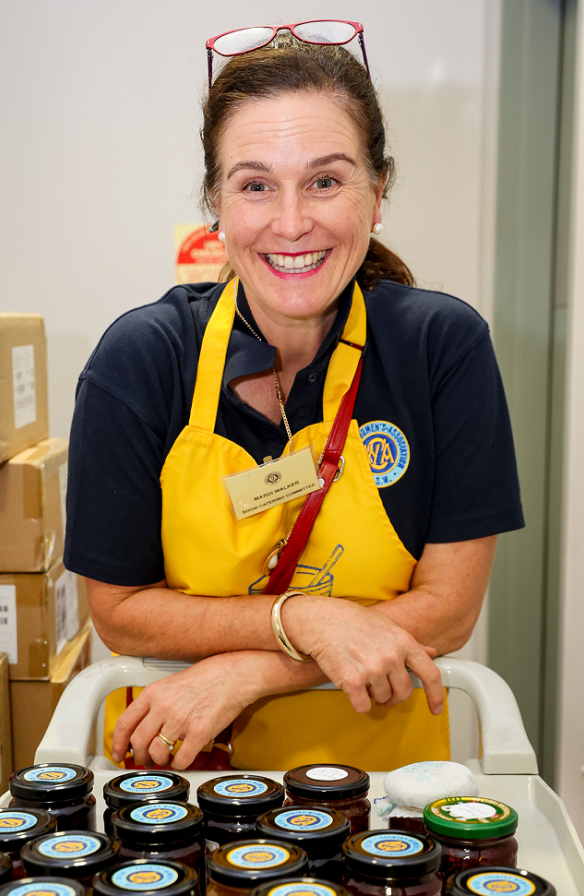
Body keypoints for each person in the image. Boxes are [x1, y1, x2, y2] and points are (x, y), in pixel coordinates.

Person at [64, 23, 523, 773]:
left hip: (383, 797)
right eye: (254, 185)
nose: (290, 222)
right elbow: (120, 613)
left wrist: (254, 671)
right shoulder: (142, 359)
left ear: (378, 193)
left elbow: (449, 608)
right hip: (181, 784)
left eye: (325, 180)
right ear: (216, 203)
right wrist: (305, 617)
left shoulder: (442, 347)